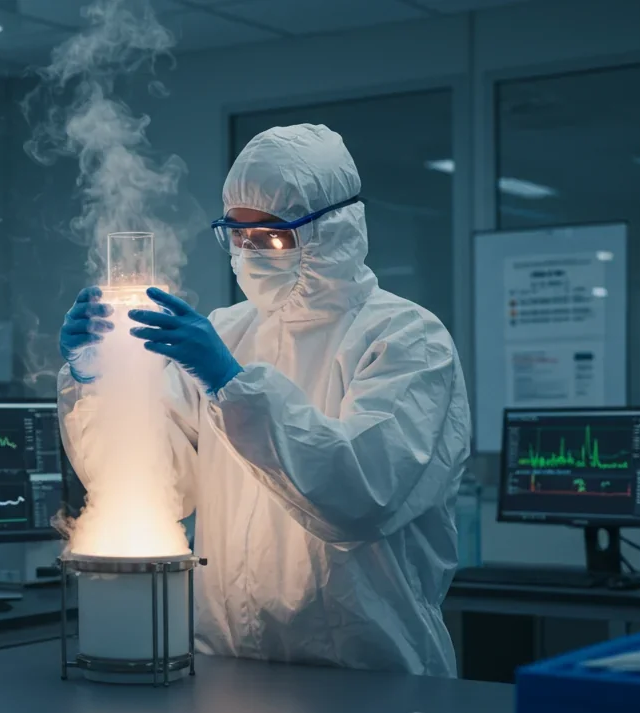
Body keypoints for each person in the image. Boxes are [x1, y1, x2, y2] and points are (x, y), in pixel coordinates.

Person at [56, 124, 471, 677]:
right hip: (228, 669)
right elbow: (155, 485)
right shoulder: (226, 333)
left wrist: (230, 385)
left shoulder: (407, 340)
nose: (251, 253)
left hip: (366, 675)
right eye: (238, 235)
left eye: (270, 236)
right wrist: (95, 380)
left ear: (332, 230)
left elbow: (360, 496)